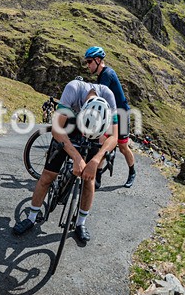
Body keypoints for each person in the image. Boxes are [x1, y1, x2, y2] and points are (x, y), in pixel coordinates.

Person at [13, 80, 118, 242]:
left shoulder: (108, 98)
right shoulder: (73, 90)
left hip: (96, 133)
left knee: (89, 180)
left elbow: (114, 137)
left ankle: (80, 223)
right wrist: (76, 157)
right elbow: (56, 130)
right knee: (48, 175)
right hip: (68, 127)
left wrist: (95, 161)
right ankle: (31, 217)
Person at [84, 46, 136, 188]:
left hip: (122, 114)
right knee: (102, 143)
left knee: (123, 147)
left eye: (89, 61)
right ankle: (98, 177)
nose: (87, 65)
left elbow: (99, 98)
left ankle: (132, 172)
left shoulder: (107, 74)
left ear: (98, 60)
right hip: (111, 115)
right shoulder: (101, 75)